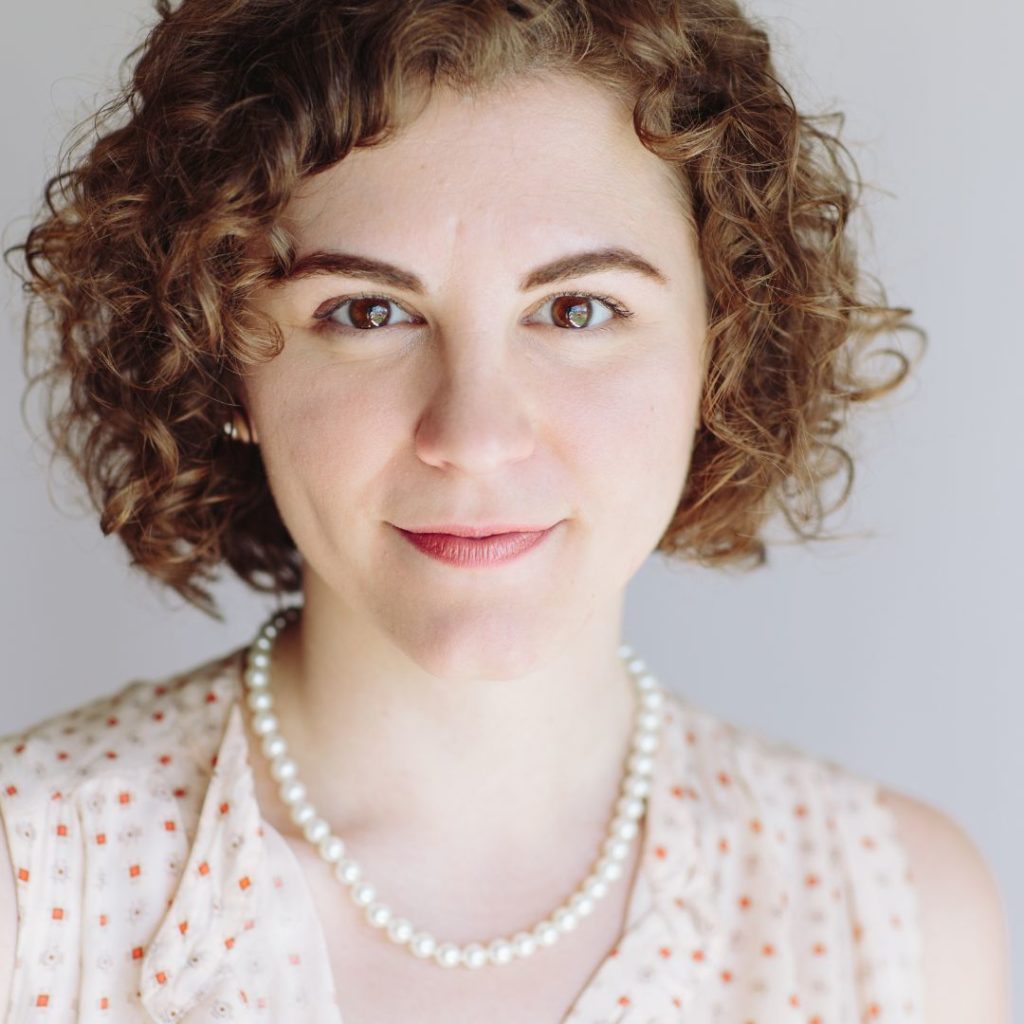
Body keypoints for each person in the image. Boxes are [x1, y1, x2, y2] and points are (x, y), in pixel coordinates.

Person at [0, 0, 1010, 1021]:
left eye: (577, 310)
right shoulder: (32, 882)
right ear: (221, 361)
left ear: (723, 347)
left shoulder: (899, 925)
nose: (474, 434)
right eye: (367, 312)